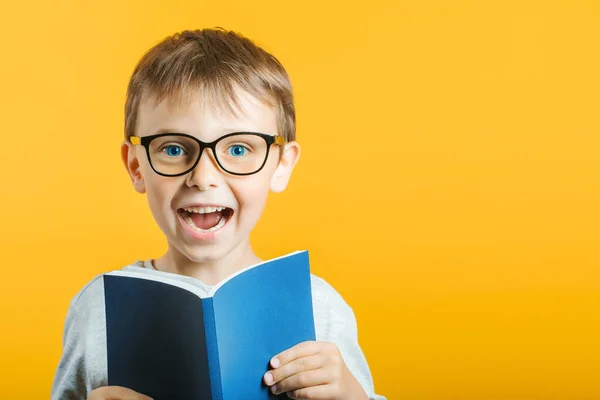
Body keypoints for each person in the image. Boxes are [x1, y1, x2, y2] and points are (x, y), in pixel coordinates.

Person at [51, 28, 385, 400]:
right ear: (136, 167)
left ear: (281, 165)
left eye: (239, 149)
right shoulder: (97, 308)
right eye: (174, 149)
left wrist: (353, 396)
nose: (204, 177)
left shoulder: (320, 307)